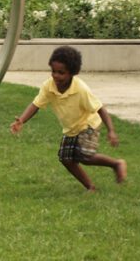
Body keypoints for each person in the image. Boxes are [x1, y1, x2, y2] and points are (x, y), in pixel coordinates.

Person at [10, 45, 127, 192]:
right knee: (65, 158)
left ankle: (116, 164)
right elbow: (36, 104)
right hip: (71, 128)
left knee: (85, 156)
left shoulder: (81, 89)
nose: (56, 76)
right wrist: (22, 120)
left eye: (61, 72)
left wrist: (111, 131)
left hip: (88, 124)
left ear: (72, 72)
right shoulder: (49, 86)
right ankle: (90, 187)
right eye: (53, 71)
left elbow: (100, 109)